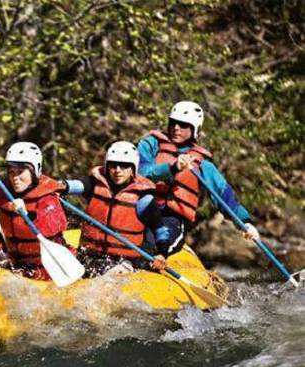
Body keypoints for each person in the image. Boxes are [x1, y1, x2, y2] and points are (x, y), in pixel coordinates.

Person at [137, 101, 259, 266]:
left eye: (183, 125)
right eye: (173, 123)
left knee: (153, 245)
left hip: (171, 219)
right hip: (140, 210)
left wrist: (244, 223)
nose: (176, 128)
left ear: (194, 129)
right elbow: (139, 172)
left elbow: (224, 196)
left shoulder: (202, 165)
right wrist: (171, 168)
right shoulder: (151, 144)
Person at [0, 141, 73, 281]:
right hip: (19, 267)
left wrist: (26, 214)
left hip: (49, 269)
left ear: (34, 171)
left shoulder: (47, 198)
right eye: (11, 172)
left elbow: (52, 226)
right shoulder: (3, 190)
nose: (15, 178)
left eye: (21, 172)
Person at [61, 141, 165, 276]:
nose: (117, 170)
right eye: (113, 165)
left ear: (133, 168)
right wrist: (61, 185)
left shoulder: (143, 199)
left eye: (124, 166)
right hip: (90, 254)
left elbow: (160, 229)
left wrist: (162, 254)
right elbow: (77, 185)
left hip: (126, 260)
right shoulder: (94, 184)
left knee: (114, 274)